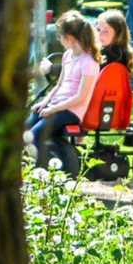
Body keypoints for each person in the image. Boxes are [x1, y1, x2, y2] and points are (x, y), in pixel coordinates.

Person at [25, 11, 101, 166]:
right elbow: (59, 85)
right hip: (56, 106)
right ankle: (26, 165)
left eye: (60, 37)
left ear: (70, 38)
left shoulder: (89, 62)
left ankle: (43, 171)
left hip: (71, 111)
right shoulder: (68, 56)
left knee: (34, 135)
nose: (59, 40)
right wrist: (44, 103)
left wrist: (53, 109)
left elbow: (80, 97)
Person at [95, 9, 133, 77]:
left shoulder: (115, 57)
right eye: (98, 30)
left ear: (117, 35)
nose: (99, 34)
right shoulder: (125, 52)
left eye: (106, 31)